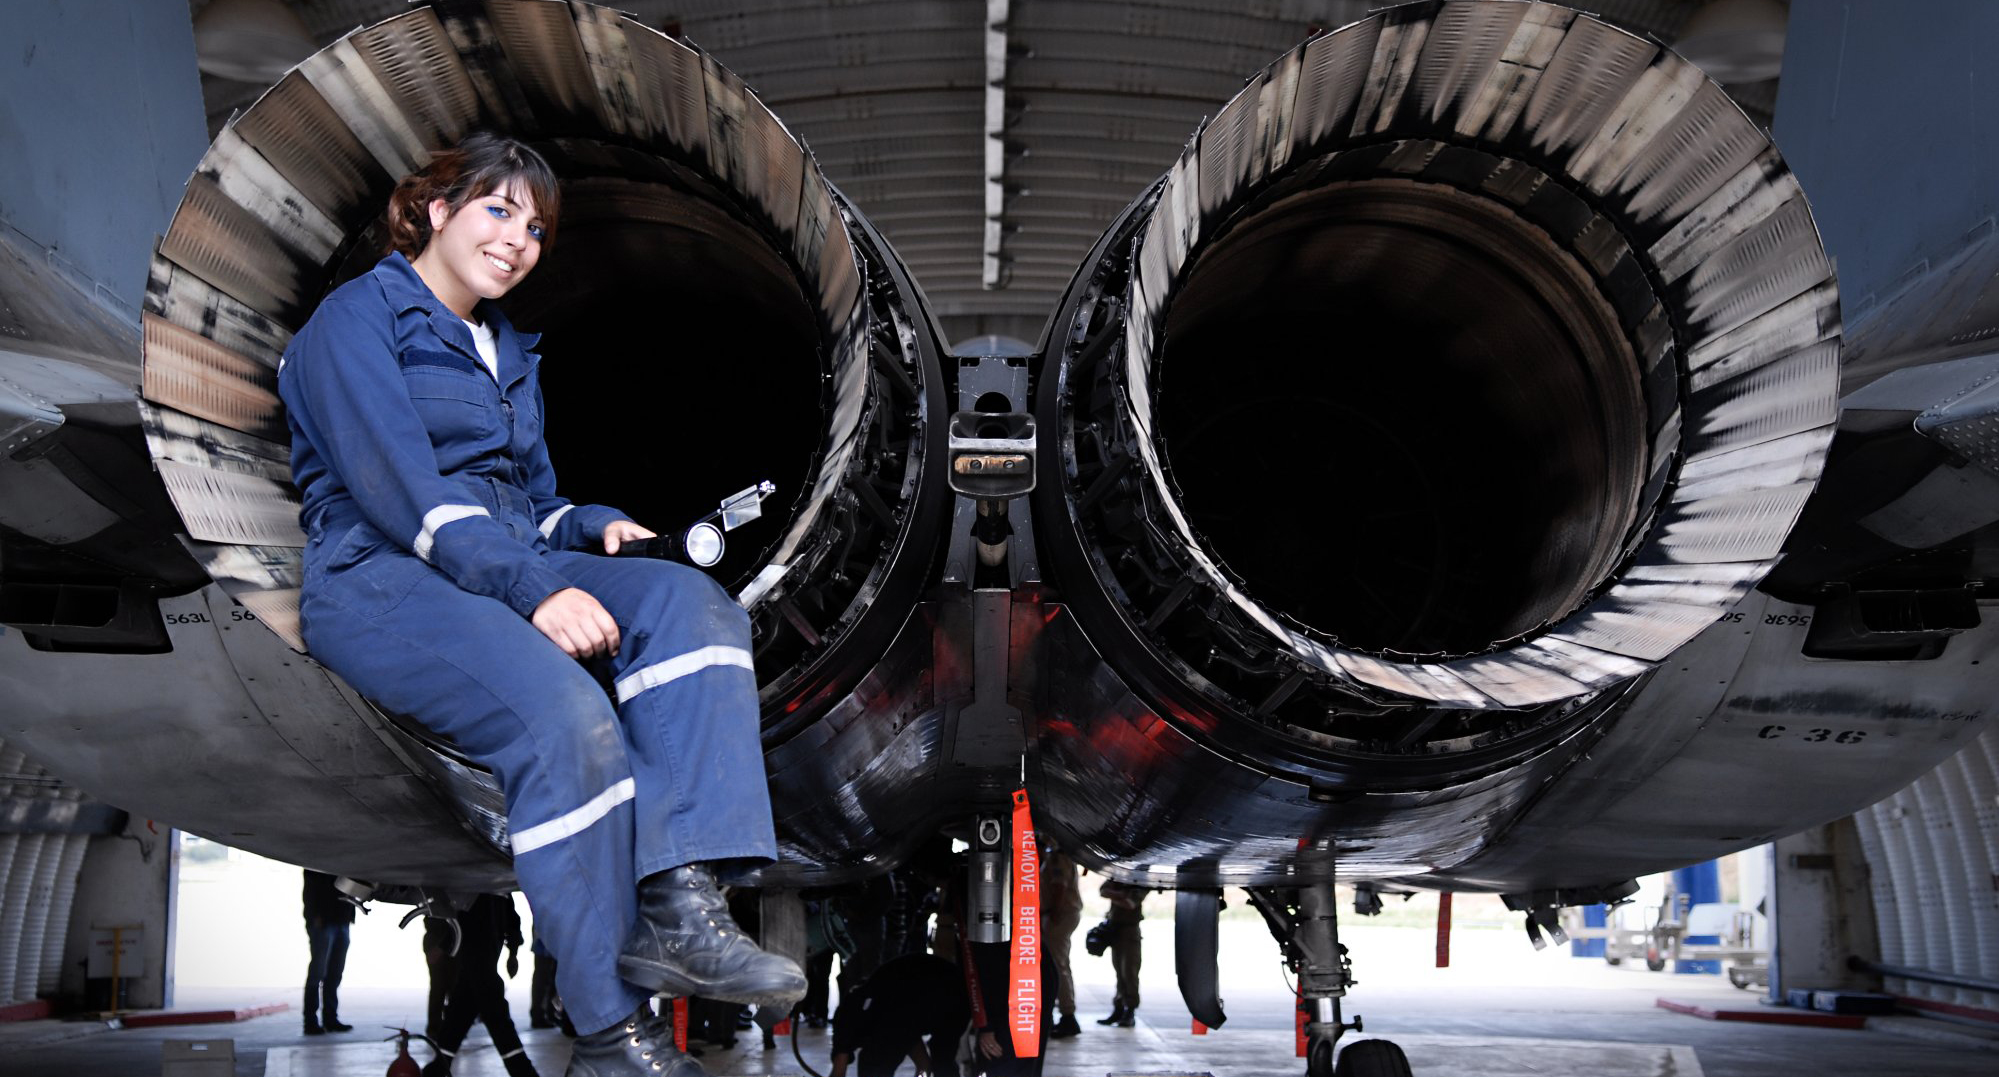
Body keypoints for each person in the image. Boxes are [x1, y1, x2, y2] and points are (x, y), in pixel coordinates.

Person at [278, 132, 804, 1077]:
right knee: (566, 718)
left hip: (498, 556)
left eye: (535, 227)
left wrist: (592, 525)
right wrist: (535, 590)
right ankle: (611, 1032)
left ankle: (681, 904)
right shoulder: (354, 322)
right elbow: (405, 495)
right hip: (381, 576)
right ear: (436, 211)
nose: (519, 239)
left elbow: (530, 502)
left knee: (693, 607)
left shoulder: (507, 349)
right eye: (498, 210)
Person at [422, 894, 537, 1077]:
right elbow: (459, 920)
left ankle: (438, 1069)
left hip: (481, 959)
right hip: (476, 958)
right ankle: (522, 1071)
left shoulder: (485, 884)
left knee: (472, 1012)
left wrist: (513, 954)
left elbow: (509, 918)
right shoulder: (485, 883)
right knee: (470, 1011)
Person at [828, 953, 971, 1077]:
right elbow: (910, 1034)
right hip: (953, 990)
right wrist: (924, 1067)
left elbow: (839, 1071)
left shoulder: (847, 1028)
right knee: (942, 1061)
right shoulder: (873, 1004)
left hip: (933, 992)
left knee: (873, 1064)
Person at [301, 870, 355, 1036]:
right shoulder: (318, 861)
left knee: (334, 974)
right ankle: (310, 1021)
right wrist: (315, 917)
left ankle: (330, 1019)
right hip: (323, 922)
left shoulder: (343, 860)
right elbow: (311, 891)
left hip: (341, 919)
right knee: (318, 973)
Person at [1039, 845, 1083, 1038]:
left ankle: (1067, 1016)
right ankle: (1063, 1014)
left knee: (1058, 965)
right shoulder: (1056, 855)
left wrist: (1054, 913)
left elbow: (1059, 886)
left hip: (1059, 914)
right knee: (1058, 964)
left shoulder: (1057, 857)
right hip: (1058, 914)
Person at [1096, 882, 1146, 1027]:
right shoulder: (1119, 877)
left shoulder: (1140, 881)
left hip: (1130, 931)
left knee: (1129, 972)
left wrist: (1115, 894)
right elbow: (1103, 890)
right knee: (1119, 972)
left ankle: (1129, 1010)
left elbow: (1130, 903)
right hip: (1115, 929)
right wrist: (1121, 895)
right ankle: (1119, 1009)